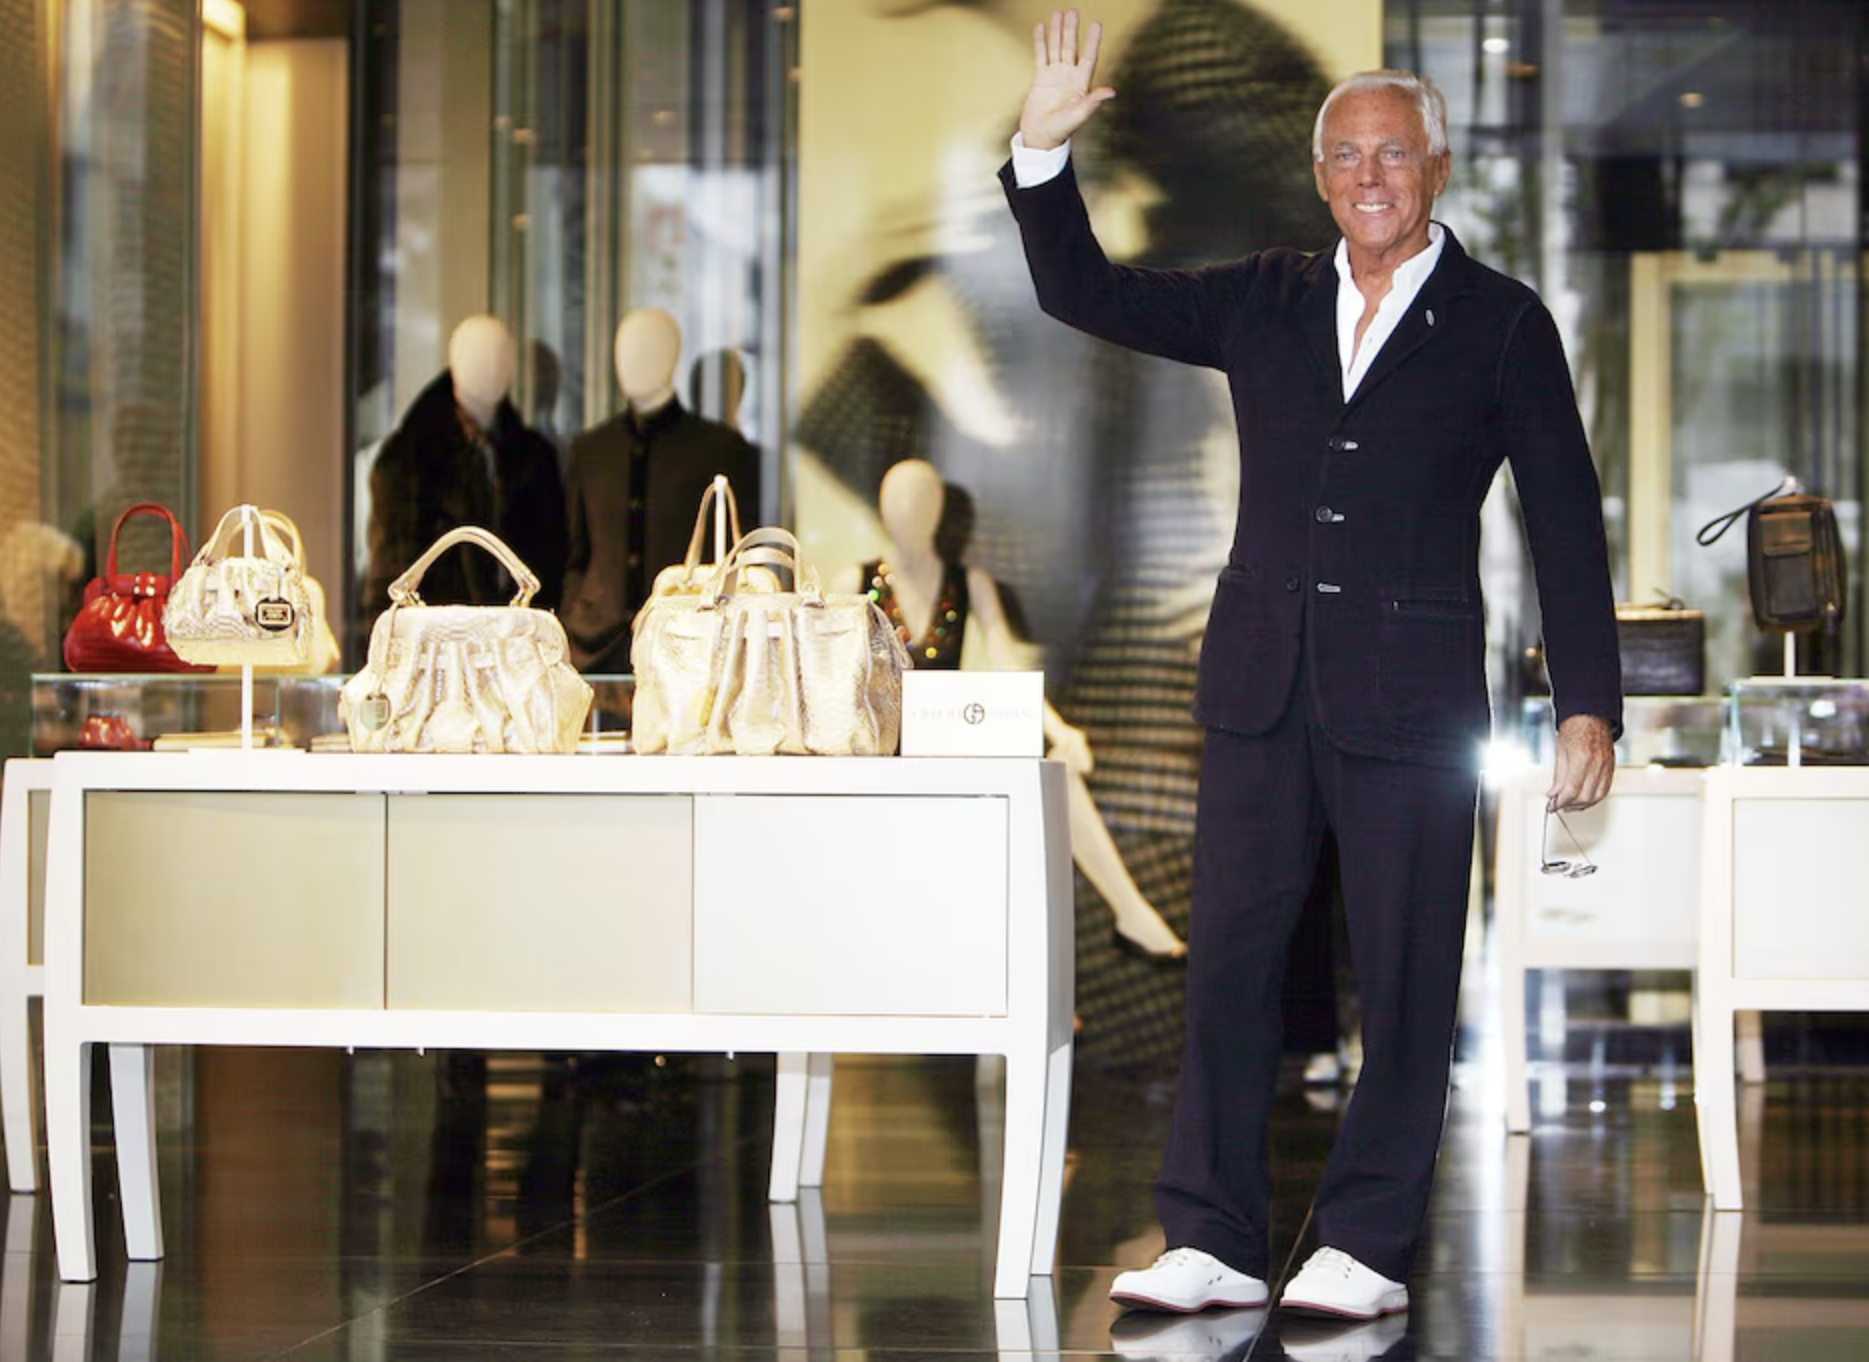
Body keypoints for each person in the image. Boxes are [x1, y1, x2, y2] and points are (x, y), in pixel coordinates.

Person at [1002, 10, 1621, 1320]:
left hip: (1412, 700)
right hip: (1260, 687)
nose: (1368, 176)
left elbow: (1564, 519)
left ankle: (1369, 1245)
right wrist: (1043, 159)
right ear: (1320, 175)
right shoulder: (1266, 295)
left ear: (1436, 167)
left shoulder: (1503, 322)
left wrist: (1589, 704)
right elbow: (1086, 293)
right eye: (1346, 156)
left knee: (1403, 977)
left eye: (1392, 154)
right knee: (1228, 967)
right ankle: (1213, 1236)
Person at [843, 458, 1187, 959]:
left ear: (938, 510)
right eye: (899, 501)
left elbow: (1010, 669)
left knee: (1057, 773)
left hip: (946, 739)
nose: (909, 514)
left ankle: (1127, 912)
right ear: (882, 507)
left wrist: (1059, 729)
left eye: (921, 502)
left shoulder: (967, 582)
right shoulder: (855, 581)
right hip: (883, 749)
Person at [561, 308, 762, 673]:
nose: (630, 362)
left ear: (673, 355)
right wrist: (574, 616)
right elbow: (577, 554)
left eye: (648, 348)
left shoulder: (722, 450)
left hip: (685, 650)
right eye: (624, 350)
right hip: (594, 650)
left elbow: (741, 554)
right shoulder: (591, 450)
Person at [362, 315, 568, 632]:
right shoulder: (409, 461)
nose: (492, 368)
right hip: (437, 639)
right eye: (479, 357)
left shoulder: (533, 458)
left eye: (502, 358)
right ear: (455, 363)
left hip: (515, 638)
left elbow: (550, 559)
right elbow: (390, 572)